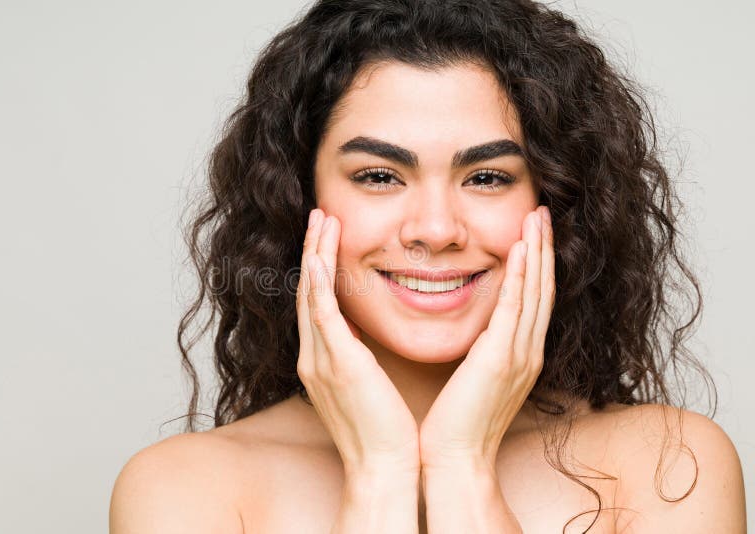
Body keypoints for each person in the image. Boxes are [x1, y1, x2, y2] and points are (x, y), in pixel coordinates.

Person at [109, 1, 746, 532]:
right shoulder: (182, 491)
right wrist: (380, 477)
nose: (436, 230)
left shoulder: (670, 468)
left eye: (489, 176)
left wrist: (462, 468)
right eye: (380, 176)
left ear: (556, 200)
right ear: (299, 201)